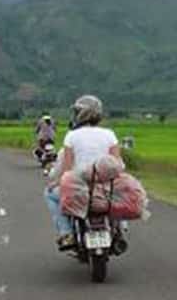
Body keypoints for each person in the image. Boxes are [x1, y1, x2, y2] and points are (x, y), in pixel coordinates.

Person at [44, 95, 121, 249]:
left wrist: (55, 183)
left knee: (49, 194)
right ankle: (119, 231)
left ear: (81, 114)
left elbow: (66, 169)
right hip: (104, 188)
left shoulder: (71, 136)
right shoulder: (110, 134)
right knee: (120, 195)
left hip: (79, 189)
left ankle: (67, 233)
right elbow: (116, 165)